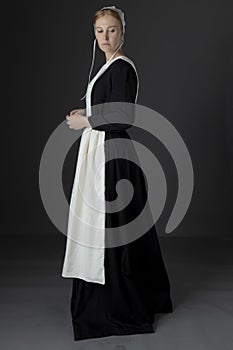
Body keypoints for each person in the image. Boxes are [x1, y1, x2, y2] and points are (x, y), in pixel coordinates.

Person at [61, 5, 173, 341]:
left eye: (112, 30)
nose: (106, 37)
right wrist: (89, 111)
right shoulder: (109, 65)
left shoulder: (122, 67)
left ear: (123, 31)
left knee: (110, 231)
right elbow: (110, 107)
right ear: (94, 34)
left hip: (112, 157)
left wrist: (86, 121)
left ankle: (118, 307)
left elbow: (124, 118)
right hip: (104, 151)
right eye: (100, 31)